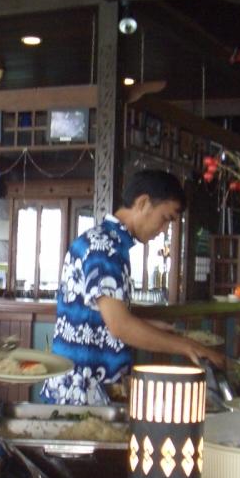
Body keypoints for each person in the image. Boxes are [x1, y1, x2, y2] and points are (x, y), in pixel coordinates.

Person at [40, 169, 224, 405]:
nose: (164, 230)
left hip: (81, 386)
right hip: (83, 392)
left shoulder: (103, 241)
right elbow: (120, 326)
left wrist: (148, 326)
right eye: (165, 218)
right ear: (143, 203)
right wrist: (189, 347)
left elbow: (99, 316)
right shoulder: (104, 248)